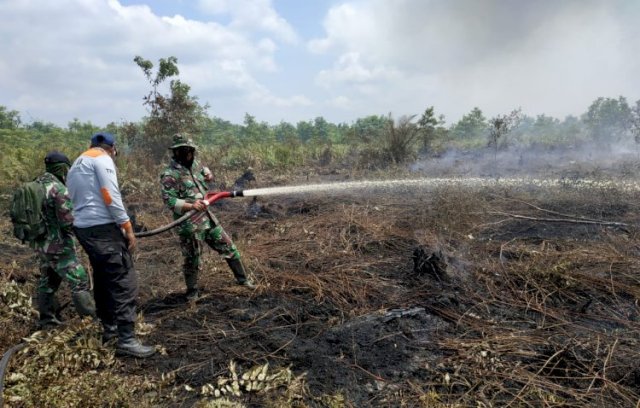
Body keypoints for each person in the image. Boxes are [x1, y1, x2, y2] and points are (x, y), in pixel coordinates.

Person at [67, 132, 155, 358]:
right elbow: (109, 194)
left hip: (84, 228)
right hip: (103, 229)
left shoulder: (78, 163)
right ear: (112, 148)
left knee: (104, 277)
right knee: (123, 280)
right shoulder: (102, 159)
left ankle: (110, 329)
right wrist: (126, 226)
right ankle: (126, 340)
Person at [160, 134, 255, 300]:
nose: (190, 154)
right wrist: (191, 205)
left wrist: (208, 174)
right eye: (185, 151)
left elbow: (204, 173)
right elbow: (169, 200)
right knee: (192, 258)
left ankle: (243, 280)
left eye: (191, 150)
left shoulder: (195, 166)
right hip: (189, 224)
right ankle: (192, 292)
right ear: (177, 152)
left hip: (207, 218)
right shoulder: (170, 175)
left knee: (229, 247)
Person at [32, 151, 96, 328]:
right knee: (79, 278)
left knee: (49, 279)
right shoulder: (58, 189)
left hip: (40, 244)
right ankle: (91, 321)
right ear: (61, 168)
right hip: (59, 246)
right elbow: (67, 221)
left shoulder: (35, 185)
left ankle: (47, 320)